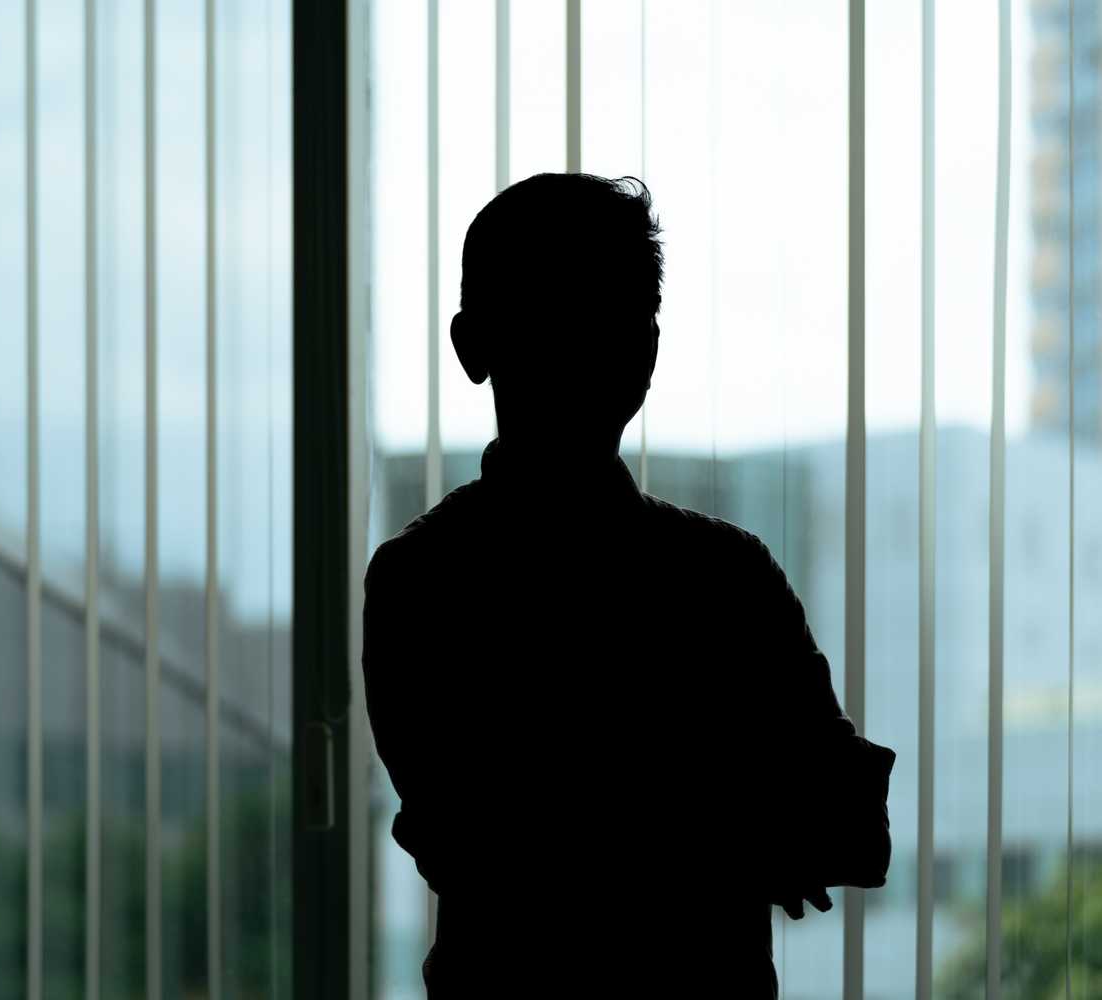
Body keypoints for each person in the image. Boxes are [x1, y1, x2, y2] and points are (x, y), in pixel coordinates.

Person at [361, 173, 895, 997]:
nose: (581, 347)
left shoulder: (425, 582)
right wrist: (739, 819)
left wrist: (610, 800)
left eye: (601, 319)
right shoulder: (728, 579)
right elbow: (483, 844)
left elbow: (848, 828)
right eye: (555, 316)